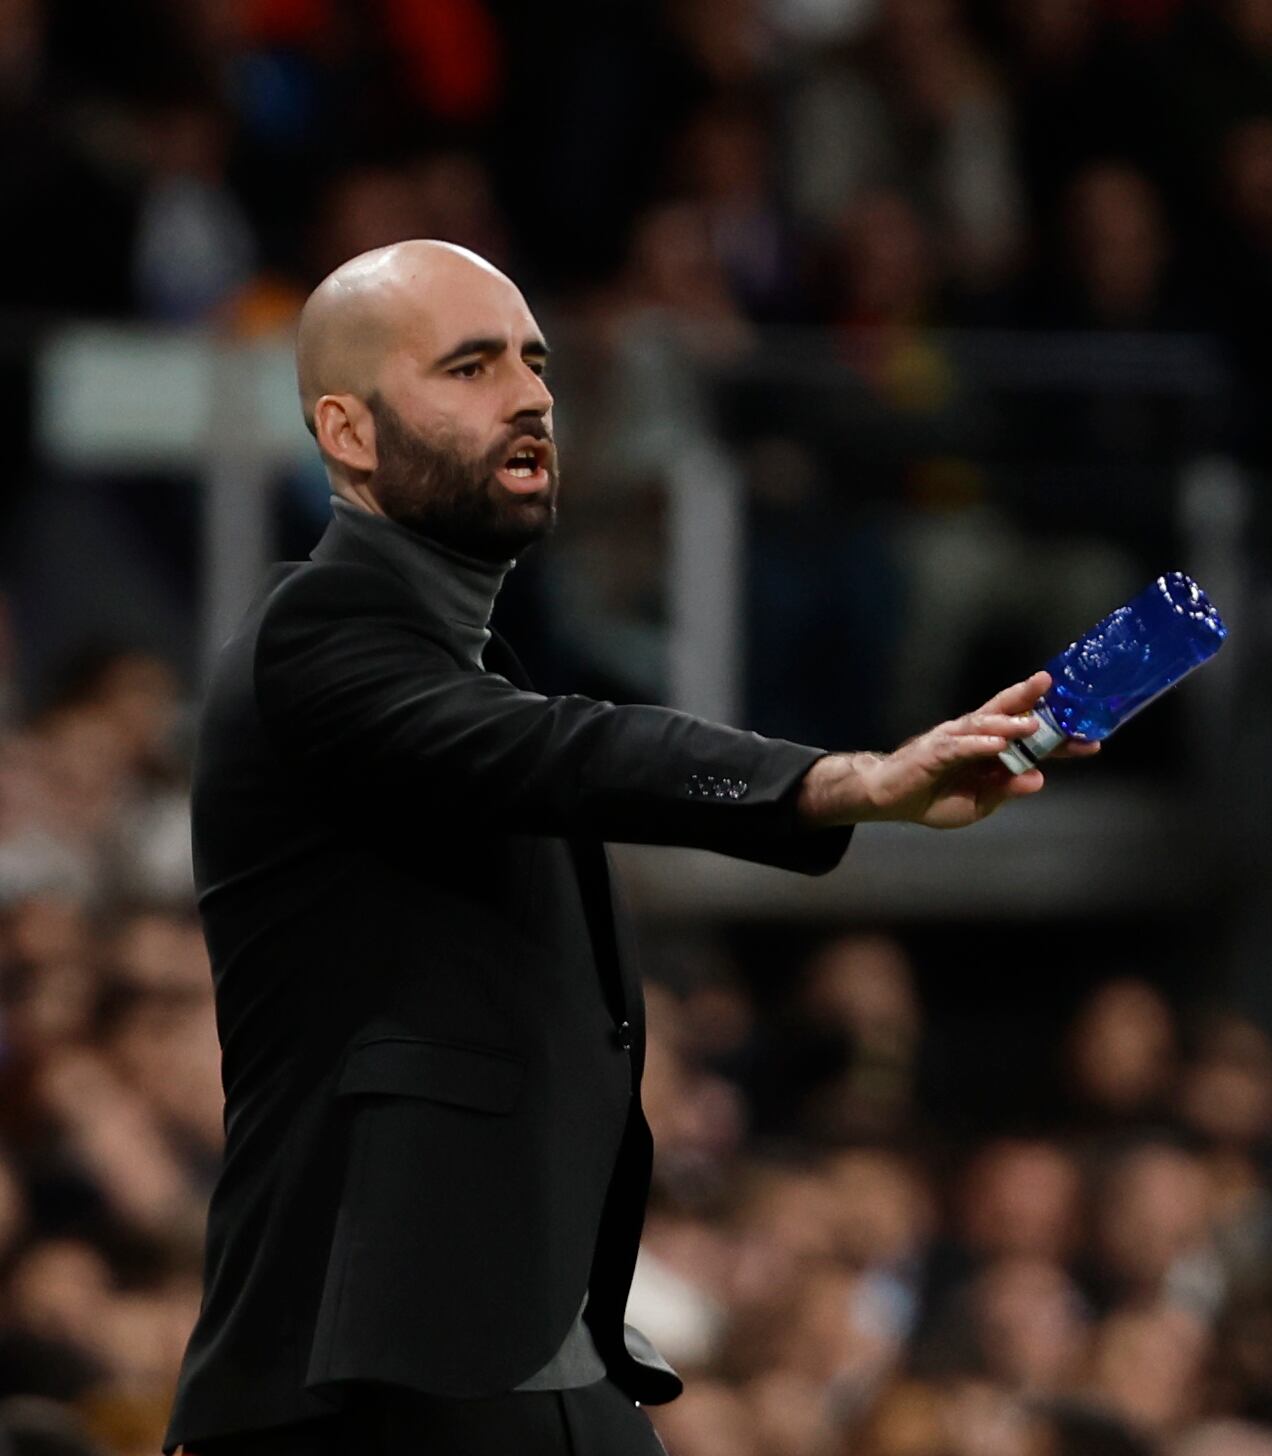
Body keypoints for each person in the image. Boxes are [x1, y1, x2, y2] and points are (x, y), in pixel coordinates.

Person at [163, 239, 1094, 1456]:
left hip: (538, 1365)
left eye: (536, 362)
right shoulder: (313, 641)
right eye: (470, 365)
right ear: (348, 430)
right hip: (365, 1382)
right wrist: (839, 782)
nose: (532, 393)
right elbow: (572, 753)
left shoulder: (462, 666)